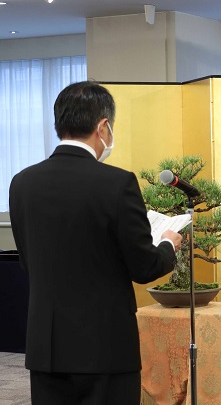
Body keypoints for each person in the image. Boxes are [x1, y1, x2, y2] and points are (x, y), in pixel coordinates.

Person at [9, 81, 182, 405]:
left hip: (47, 348)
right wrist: (168, 244)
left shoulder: (22, 183)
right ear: (103, 127)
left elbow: (28, 262)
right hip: (106, 349)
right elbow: (145, 267)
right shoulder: (117, 183)